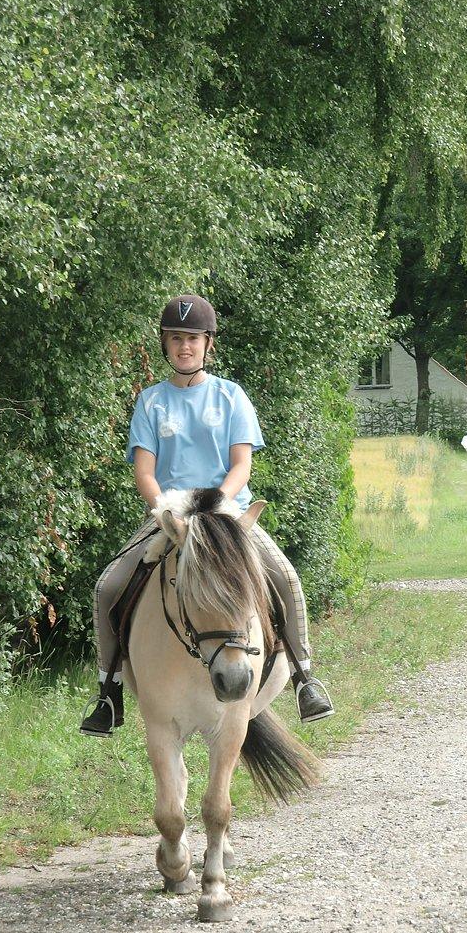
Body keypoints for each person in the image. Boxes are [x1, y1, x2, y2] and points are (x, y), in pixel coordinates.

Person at [80, 294, 334, 736]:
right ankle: (109, 690)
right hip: (172, 515)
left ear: (207, 344)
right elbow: (145, 471)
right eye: (176, 338)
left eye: (193, 338)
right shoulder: (151, 402)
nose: (185, 346)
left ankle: (304, 677)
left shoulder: (231, 396)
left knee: (286, 577)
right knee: (108, 587)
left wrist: (218, 502)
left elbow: (241, 465)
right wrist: (164, 510)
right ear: (165, 344)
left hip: (226, 513)